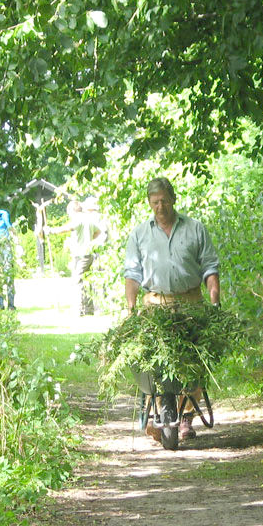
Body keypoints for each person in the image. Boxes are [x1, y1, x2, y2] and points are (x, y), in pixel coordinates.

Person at [123, 177, 220, 442]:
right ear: (149, 203)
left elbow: (210, 266)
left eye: (165, 200)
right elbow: (132, 274)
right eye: (155, 202)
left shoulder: (194, 228)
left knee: (194, 360)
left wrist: (214, 301)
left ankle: (187, 416)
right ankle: (156, 409)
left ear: (173, 199)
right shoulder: (140, 234)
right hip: (155, 306)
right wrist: (131, 308)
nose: (160, 206)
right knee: (150, 361)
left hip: (190, 304)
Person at [44, 196, 107, 316]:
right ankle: (88, 309)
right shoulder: (88, 219)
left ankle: (81, 309)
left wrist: (51, 230)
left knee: (77, 281)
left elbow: (67, 228)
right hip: (87, 253)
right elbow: (98, 232)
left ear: (72, 211)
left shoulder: (78, 219)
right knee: (85, 281)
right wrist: (88, 240)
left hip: (82, 254)